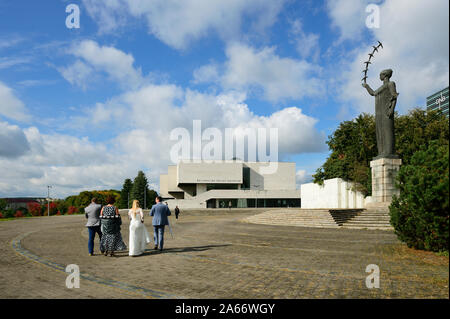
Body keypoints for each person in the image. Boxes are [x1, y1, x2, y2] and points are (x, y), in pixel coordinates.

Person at [362, 69, 399, 158]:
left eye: (380, 75)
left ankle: (389, 152)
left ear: (385, 75)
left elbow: (394, 96)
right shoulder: (381, 87)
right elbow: (373, 93)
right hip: (379, 113)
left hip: (386, 111)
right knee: (380, 132)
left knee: (387, 131)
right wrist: (367, 86)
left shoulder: (391, 84)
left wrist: (392, 109)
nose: (379, 77)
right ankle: (381, 152)